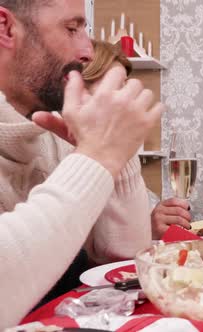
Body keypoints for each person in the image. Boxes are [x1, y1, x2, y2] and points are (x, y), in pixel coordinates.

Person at [0, 0, 162, 326]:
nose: (87, 51)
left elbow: (123, 261)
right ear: (5, 28)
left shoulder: (54, 130)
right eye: (72, 29)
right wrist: (99, 155)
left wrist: (120, 153)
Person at [81, 40, 191, 239]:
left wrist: (152, 223)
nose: (128, 98)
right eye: (117, 86)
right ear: (79, 90)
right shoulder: (61, 158)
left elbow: (135, 231)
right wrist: (147, 229)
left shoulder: (121, 156)